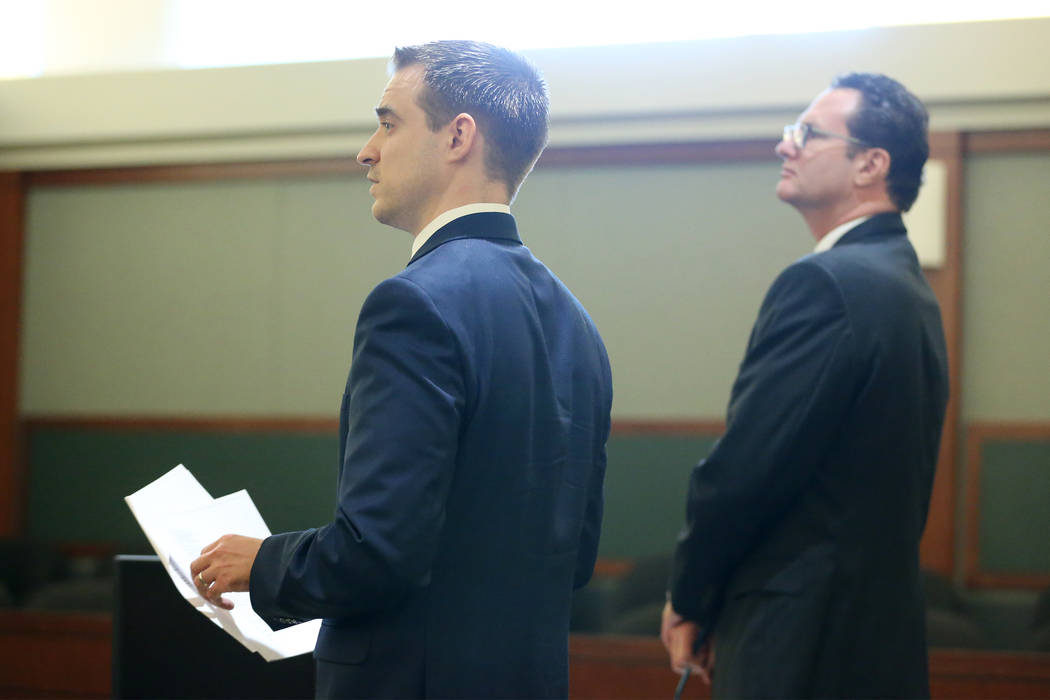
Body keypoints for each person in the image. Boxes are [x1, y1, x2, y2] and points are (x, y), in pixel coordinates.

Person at [190, 40, 612, 699]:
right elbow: (575, 557)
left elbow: (378, 551)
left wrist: (262, 562)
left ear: (458, 137)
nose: (367, 149)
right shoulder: (579, 326)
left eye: (388, 123)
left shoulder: (412, 304)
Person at [661, 73, 949, 699]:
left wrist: (691, 595)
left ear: (871, 164)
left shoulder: (826, 284)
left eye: (808, 134)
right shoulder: (908, 290)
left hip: (798, 642)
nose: (784, 147)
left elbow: (746, 470)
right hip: (874, 640)